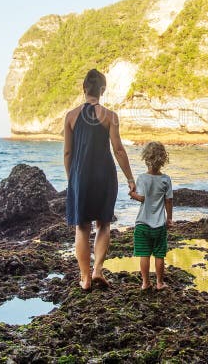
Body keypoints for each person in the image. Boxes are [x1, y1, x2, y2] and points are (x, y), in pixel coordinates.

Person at [64, 69, 136, 291]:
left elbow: (67, 153)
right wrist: (130, 179)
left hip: (80, 176)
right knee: (103, 224)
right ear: (102, 90)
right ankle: (97, 270)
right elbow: (119, 150)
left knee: (82, 227)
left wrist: (72, 180)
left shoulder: (71, 116)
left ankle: (85, 278)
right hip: (105, 174)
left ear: (84, 89)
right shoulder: (110, 116)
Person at [129, 141, 173, 290]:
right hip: (159, 225)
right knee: (159, 255)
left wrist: (132, 194)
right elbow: (168, 201)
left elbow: (141, 198)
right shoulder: (166, 179)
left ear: (146, 158)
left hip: (142, 224)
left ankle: (145, 282)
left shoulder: (142, 178)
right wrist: (169, 219)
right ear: (163, 159)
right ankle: (160, 283)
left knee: (144, 254)